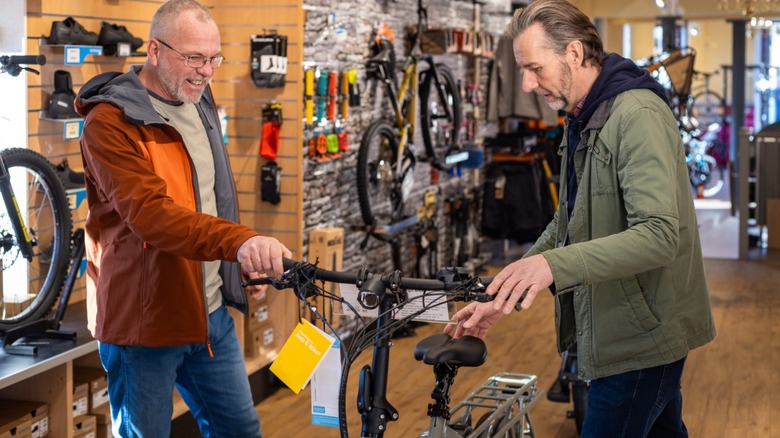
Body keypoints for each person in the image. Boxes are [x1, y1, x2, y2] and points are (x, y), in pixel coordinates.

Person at [445, 1, 716, 437]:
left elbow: (659, 235)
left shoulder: (636, 116)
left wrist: (551, 265)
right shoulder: (584, 114)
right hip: (619, 328)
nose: (528, 85)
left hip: (641, 339)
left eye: (535, 68)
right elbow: (570, 220)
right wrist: (506, 292)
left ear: (573, 53)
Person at [75, 1, 291, 436]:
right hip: (146, 323)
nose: (206, 70)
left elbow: (211, 198)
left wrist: (236, 267)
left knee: (241, 431)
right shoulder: (110, 123)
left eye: (214, 58)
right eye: (194, 57)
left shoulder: (198, 97)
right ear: (154, 50)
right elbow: (154, 216)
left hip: (209, 314)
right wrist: (240, 242)